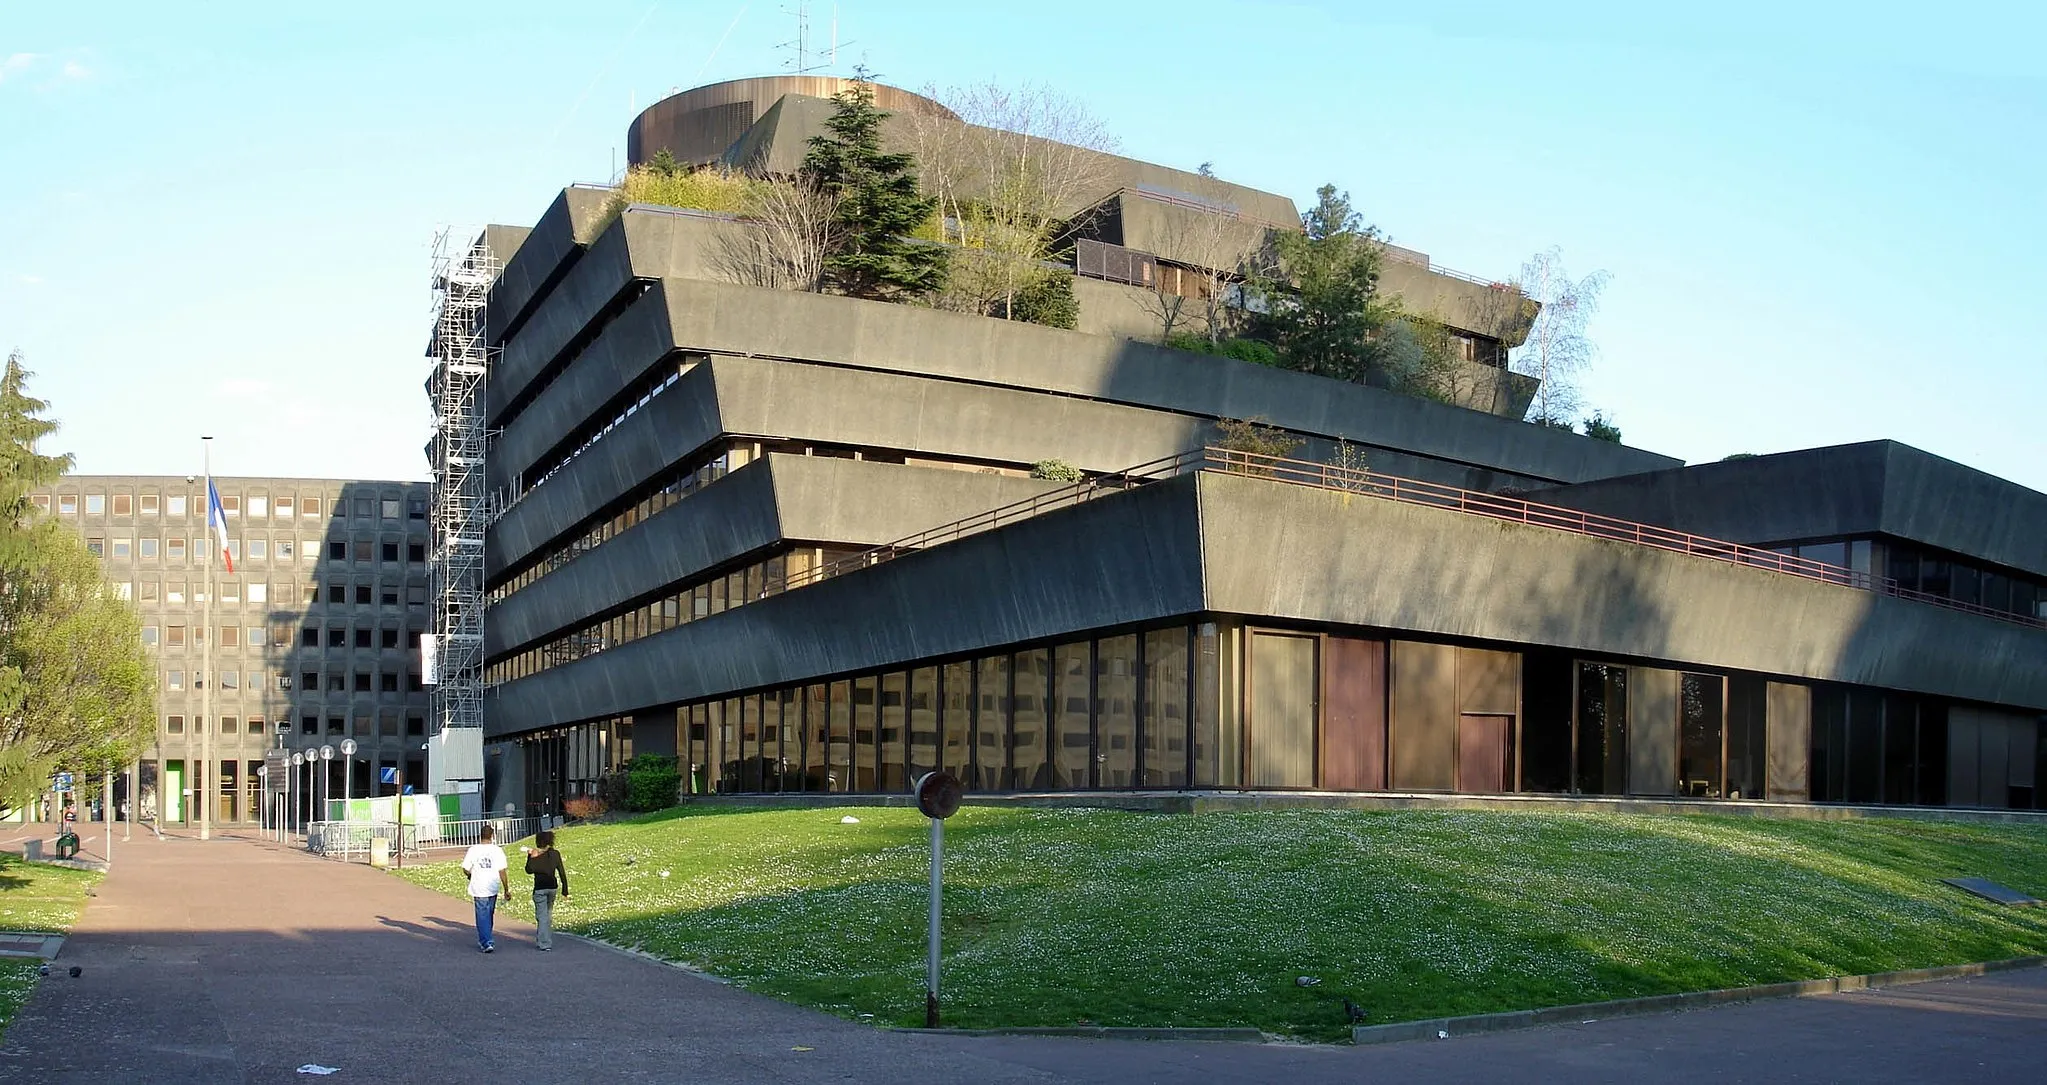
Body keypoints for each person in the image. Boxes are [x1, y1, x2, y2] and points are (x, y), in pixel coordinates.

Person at [460, 825, 511, 953]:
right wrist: (506, 888)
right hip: (492, 885)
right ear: (492, 836)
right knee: (488, 913)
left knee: (483, 914)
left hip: (479, 885)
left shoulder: (473, 850)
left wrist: (470, 875)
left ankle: (485, 939)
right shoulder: (497, 850)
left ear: (480, 835)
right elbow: (502, 871)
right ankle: (486, 939)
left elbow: (465, 867)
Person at [523, 830, 571, 951]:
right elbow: (561, 871)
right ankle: (543, 938)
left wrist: (530, 857)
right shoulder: (555, 854)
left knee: (541, 916)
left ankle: (544, 942)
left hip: (540, 888)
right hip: (552, 887)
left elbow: (529, 870)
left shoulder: (536, 855)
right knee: (548, 915)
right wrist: (565, 889)